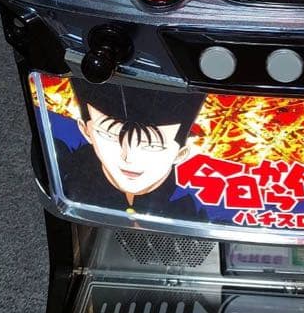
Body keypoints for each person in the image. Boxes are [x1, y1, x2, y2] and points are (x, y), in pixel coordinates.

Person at [59, 78, 204, 214]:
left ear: (180, 154)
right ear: (85, 131)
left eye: (152, 146)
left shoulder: (197, 206)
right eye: (110, 136)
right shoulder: (63, 176)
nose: (128, 157)